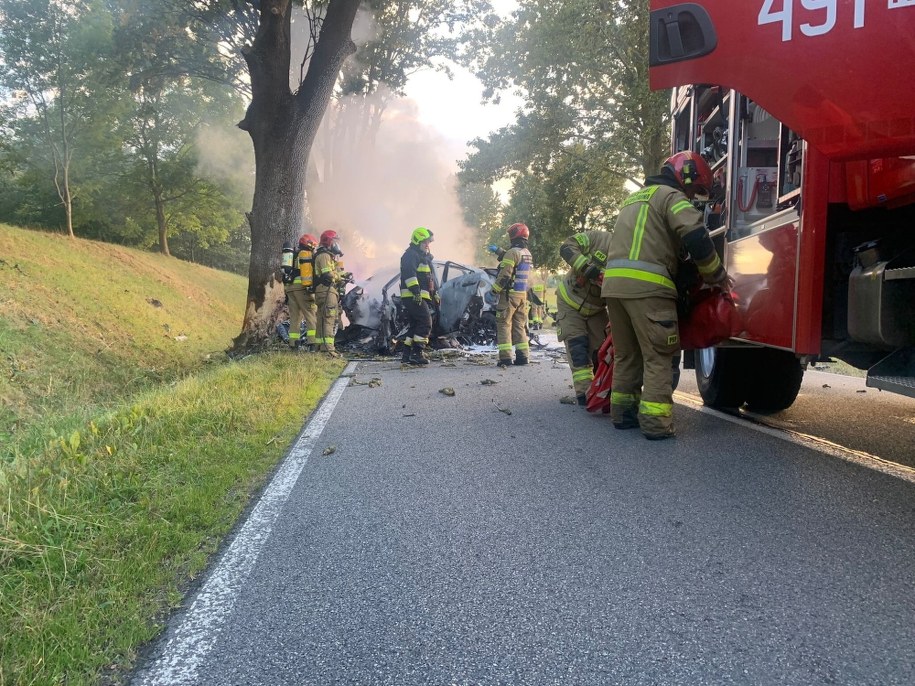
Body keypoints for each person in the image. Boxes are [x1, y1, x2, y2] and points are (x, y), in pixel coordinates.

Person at [601, 150, 731, 440]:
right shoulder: (671, 198)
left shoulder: (634, 199)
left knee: (627, 355)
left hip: (614, 288)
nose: (694, 195)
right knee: (659, 355)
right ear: (685, 176)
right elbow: (695, 235)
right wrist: (716, 276)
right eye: (695, 188)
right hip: (649, 289)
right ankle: (656, 424)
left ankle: (622, 415)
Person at [555, 230, 613, 406]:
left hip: (596, 309)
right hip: (569, 301)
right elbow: (566, 247)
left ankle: (601, 387)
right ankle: (584, 392)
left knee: (602, 351)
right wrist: (587, 268)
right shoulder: (598, 238)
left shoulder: (632, 256)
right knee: (577, 346)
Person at [491, 222, 534, 367]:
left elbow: (505, 275)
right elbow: (514, 260)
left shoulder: (512, 252)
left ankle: (505, 358)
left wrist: (494, 290)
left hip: (509, 295)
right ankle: (523, 357)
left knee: (503, 324)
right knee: (519, 326)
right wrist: (499, 251)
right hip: (522, 295)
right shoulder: (526, 253)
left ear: (514, 235)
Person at [399, 227, 436, 366]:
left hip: (418, 296)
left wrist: (434, 293)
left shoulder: (420, 256)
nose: (427, 245)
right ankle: (417, 353)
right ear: (417, 241)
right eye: (425, 242)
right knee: (426, 322)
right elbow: (410, 276)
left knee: (415, 324)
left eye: (428, 242)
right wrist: (416, 292)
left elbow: (428, 278)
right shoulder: (410, 255)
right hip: (412, 296)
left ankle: (407, 354)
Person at [280, 235, 316, 350]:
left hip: (290, 288)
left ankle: (293, 344)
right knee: (311, 315)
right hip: (301, 288)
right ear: (308, 243)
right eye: (312, 244)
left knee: (295, 318)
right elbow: (307, 274)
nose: (314, 246)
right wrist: (310, 288)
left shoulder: (293, 254)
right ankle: (313, 343)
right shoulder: (305, 253)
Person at [313, 230, 343, 357]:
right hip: (327, 290)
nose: (336, 244)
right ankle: (329, 350)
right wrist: (340, 277)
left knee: (321, 318)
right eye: (334, 241)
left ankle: (320, 347)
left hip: (322, 290)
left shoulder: (325, 255)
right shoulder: (324, 256)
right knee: (330, 318)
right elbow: (327, 274)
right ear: (329, 241)